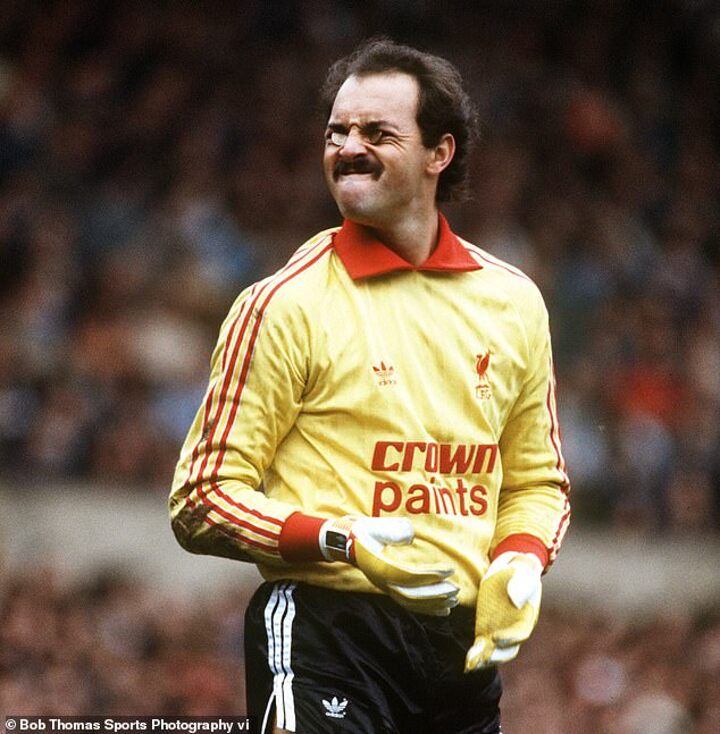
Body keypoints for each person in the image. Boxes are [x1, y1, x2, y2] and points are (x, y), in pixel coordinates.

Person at [169, 38, 570, 734]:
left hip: (461, 654)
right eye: (337, 133)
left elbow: (537, 482)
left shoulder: (515, 302)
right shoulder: (282, 305)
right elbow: (200, 499)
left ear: (439, 152)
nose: (348, 148)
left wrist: (520, 560)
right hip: (328, 634)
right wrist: (340, 540)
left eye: (377, 133)